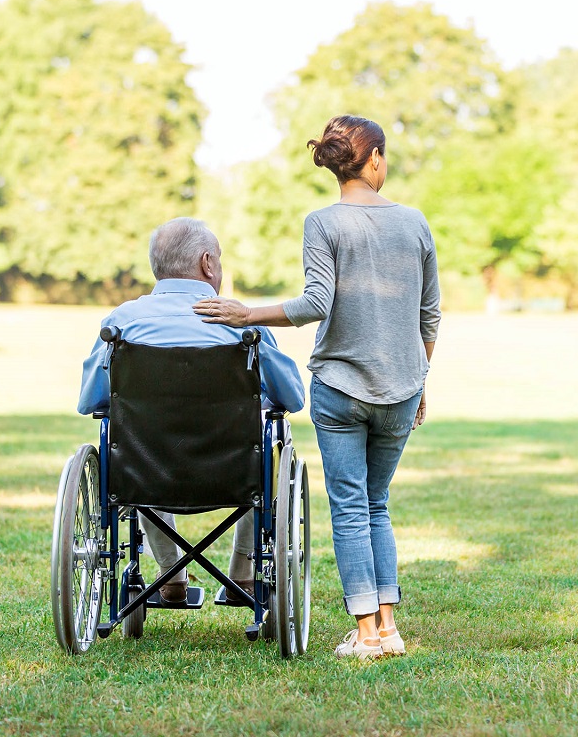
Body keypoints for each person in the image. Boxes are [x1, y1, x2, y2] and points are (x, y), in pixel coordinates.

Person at [193, 115, 440, 659]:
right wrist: (419, 381)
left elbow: (315, 304)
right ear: (373, 158)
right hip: (401, 388)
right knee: (378, 504)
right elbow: (429, 316)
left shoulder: (322, 223)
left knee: (351, 507)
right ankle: (389, 627)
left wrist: (246, 313)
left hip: (340, 386)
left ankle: (367, 634)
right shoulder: (416, 223)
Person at [78, 217, 305, 605]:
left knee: (134, 442)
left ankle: (171, 578)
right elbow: (294, 399)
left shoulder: (122, 323)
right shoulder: (241, 326)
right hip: (233, 472)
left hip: (146, 472)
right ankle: (244, 577)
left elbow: (91, 403)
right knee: (268, 446)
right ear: (207, 264)